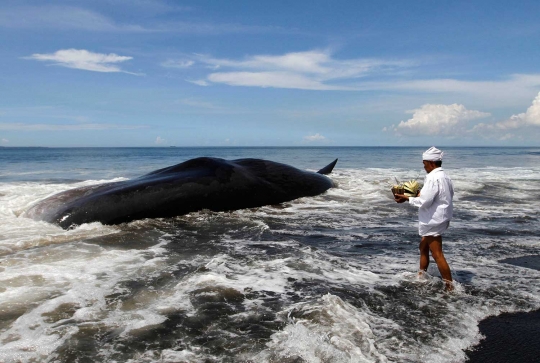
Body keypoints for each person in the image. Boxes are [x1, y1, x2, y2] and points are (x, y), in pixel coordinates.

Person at [394, 146, 455, 291]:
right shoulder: (445, 176)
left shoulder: (433, 178)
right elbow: (437, 195)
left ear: (432, 163)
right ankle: (421, 275)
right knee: (423, 246)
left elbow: (425, 201)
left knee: (437, 254)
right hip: (441, 216)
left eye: (425, 163)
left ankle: (450, 287)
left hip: (433, 219)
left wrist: (407, 198)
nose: (424, 166)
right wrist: (415, 194)